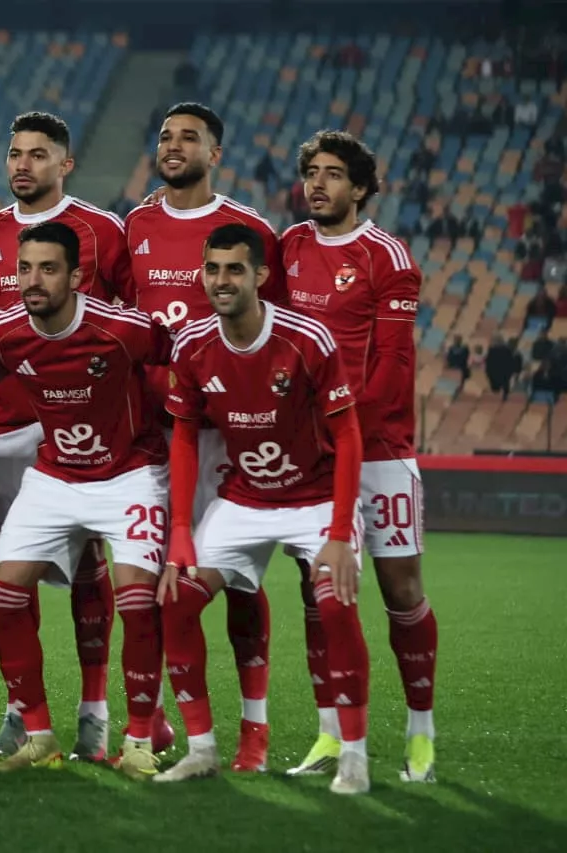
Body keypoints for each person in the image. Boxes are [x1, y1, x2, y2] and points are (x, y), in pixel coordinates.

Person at [158, 223, 371, 795]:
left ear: (261, 276)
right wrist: (181, 531)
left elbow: (348, 434)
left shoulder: (307, 338)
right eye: (212, 269)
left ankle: (354, 757)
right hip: (244, 498)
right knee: (175, 600)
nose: (221, 281)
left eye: (234, 269)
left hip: (316, 499)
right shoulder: (192, 345)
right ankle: (202, 749)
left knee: (334, 605)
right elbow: (184, 437)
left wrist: (340, 533)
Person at [0, 111, 145, 762]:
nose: (24, 165)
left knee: (89, 566)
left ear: (64, 164)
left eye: (38, 154)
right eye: (15, 153)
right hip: (9, 423)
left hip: (86, 427)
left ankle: (94, 710)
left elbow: (130, 320)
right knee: (11, 572)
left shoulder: (102, 230)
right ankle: (22, 714)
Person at [125, 102, 285, 772]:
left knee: (239, 581)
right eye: (165, 135)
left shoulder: (249, 230)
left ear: (214, 154)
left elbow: (275, 331)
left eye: (189, 137)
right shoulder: (134, 224)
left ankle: (254, 727)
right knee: (151, 582)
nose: (173, 145)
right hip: (151, 434)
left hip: (226, 437)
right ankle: (155, 720)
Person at [0, 222, 170, 780]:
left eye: (48, 269)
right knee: (2, 595)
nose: (32, 281)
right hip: (56, 475)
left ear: (77, 277)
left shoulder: (121, 330)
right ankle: (39, 736)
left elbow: (185, 357)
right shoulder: (6, 335)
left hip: (131, 473)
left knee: (138, 599)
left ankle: (141, 738)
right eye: (24, 269)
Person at [283, 131, 437, 782]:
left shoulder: (387, 257)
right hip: (312, 455)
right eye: (312, 173)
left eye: (334, 174)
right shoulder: (288, 247)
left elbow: (391, 368)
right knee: (318, 594)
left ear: (362, 188)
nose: (318, 184)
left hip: (377, 451)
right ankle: (328, 733)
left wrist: (339, 430)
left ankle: (421, 734)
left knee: (401, 590)